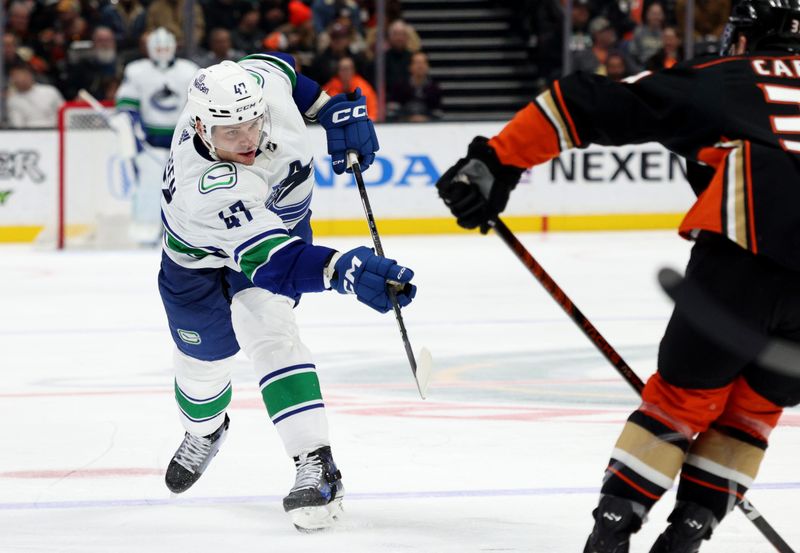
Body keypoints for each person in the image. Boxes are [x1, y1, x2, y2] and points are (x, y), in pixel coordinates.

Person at [435, 0, 800, 551]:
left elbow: (585, 102)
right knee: (753, 410)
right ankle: (688, 533)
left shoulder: (727, 77)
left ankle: (612, 533)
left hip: (744, 254)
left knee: (679, 404)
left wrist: (496, 160)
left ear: (748, 38)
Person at [159, 54, 416, 532]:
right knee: (201, 369)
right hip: (198, 261)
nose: (247, 140)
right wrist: (344, 269)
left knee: (271, 331)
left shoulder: (261, 90)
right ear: (200, 125)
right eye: (230, 132)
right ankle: (205, 431)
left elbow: (281, 67)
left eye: (252, 123)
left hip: (281, 230)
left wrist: (327, 108)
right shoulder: (209, 188)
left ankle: (316, 465)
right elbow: (277, 265)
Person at [112, 27, 198, 244]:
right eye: (158, 48)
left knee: (185, 189)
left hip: (183, 143)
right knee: (149, 187)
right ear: (149, 48)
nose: (162, 51)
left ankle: (184, 233)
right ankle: (146, 231)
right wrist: (131, 128)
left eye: (166, 47)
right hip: (150, 142)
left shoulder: (189, 70)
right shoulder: (136, 71)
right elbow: (127, 105)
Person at [6, 64, 64, 128]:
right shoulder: (13, 100)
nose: (20, 79)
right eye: (15, 77)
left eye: (22, 75)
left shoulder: (50, 91)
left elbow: (64, 113)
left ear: (30, 75)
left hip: (56, 132)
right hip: (28, 135)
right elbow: (17, 125)